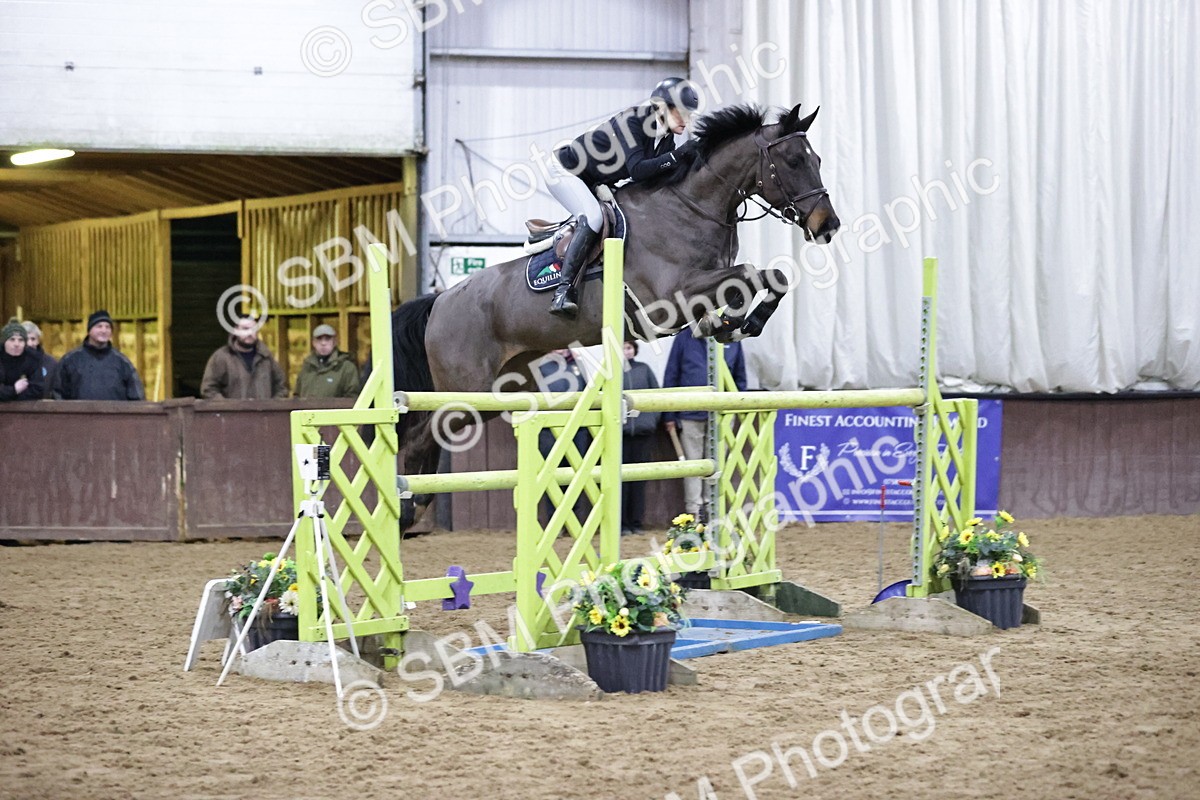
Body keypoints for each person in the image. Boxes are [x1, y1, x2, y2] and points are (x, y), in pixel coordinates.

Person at [547, 77, 701, 319]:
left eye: (689, 114)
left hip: (596, 179)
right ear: (661, 107)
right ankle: (563, 291)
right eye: (681, 112)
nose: (687, 120)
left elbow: (656, 179)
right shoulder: (633, 121)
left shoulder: (666, 138)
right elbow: (638, 170)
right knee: (594, 217)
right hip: (565, 171)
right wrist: (679, 156)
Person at [662, 330, 748, 519]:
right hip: (691, 410)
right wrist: (669, 413)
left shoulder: (733, 338)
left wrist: (739, 408)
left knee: (718, 464)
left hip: (723, 413)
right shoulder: (684, 338)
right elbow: (672, 372)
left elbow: (740, 376)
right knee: (692, 465)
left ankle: (714, 509)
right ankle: (694, 511)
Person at [535, 349, 592, 528]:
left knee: (575, 476)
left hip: (578, 429)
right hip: (549, 430)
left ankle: (571, 522)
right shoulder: (540, 366)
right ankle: (554, 522)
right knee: (551, 476)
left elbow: (590, 389)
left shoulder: (578, 364)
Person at [55, 309, 144, 401]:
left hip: (114, 415)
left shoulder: (123, 362)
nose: (104, 330)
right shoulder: (70, 360)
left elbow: (137, 397)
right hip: (80, 415)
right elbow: (57, 394)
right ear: (89, 331)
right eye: (99, 326)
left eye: (107, 327)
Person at [620, 341, 660, 535]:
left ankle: (636, 522)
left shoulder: (644, 369)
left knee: (639, 482)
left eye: (629, 348)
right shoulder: (610, 372)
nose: (626, 351)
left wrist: (651, 420)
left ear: (634, 350)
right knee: (620, 481)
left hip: (643, 434)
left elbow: (656, 396)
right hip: (619, 435)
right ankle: (621, 524)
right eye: (622, 348)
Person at [200, 316, 287, 400]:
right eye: (245, 329)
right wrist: (226, 407)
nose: (249, 333)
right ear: (235, 330)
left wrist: (272, 406)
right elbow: (208, 389)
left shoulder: (266, 357)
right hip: (232, 414)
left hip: (263, 414)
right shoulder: (221, 357)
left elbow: (282, 386)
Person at [293, 324, 360, 399]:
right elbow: (297, 395)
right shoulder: (306, 367)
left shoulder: (346, 368)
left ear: (334, 342)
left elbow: (352, 397)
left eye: (327, 339)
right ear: (313, 343)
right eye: (319, 339)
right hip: (307, 410)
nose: (323, 343)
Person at [1, 318, 45, 402]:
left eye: (21, 340)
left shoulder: (33, 358)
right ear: (4, 342)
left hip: (25, 410)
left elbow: (37, 390)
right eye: (12, 339)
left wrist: (7, 396)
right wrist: (14, 390)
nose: (16, 344)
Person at [21, 320, 57, 390]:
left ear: (38, 340)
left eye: (33, 339)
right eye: (25, 339)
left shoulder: (51, 363)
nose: (29, 343)